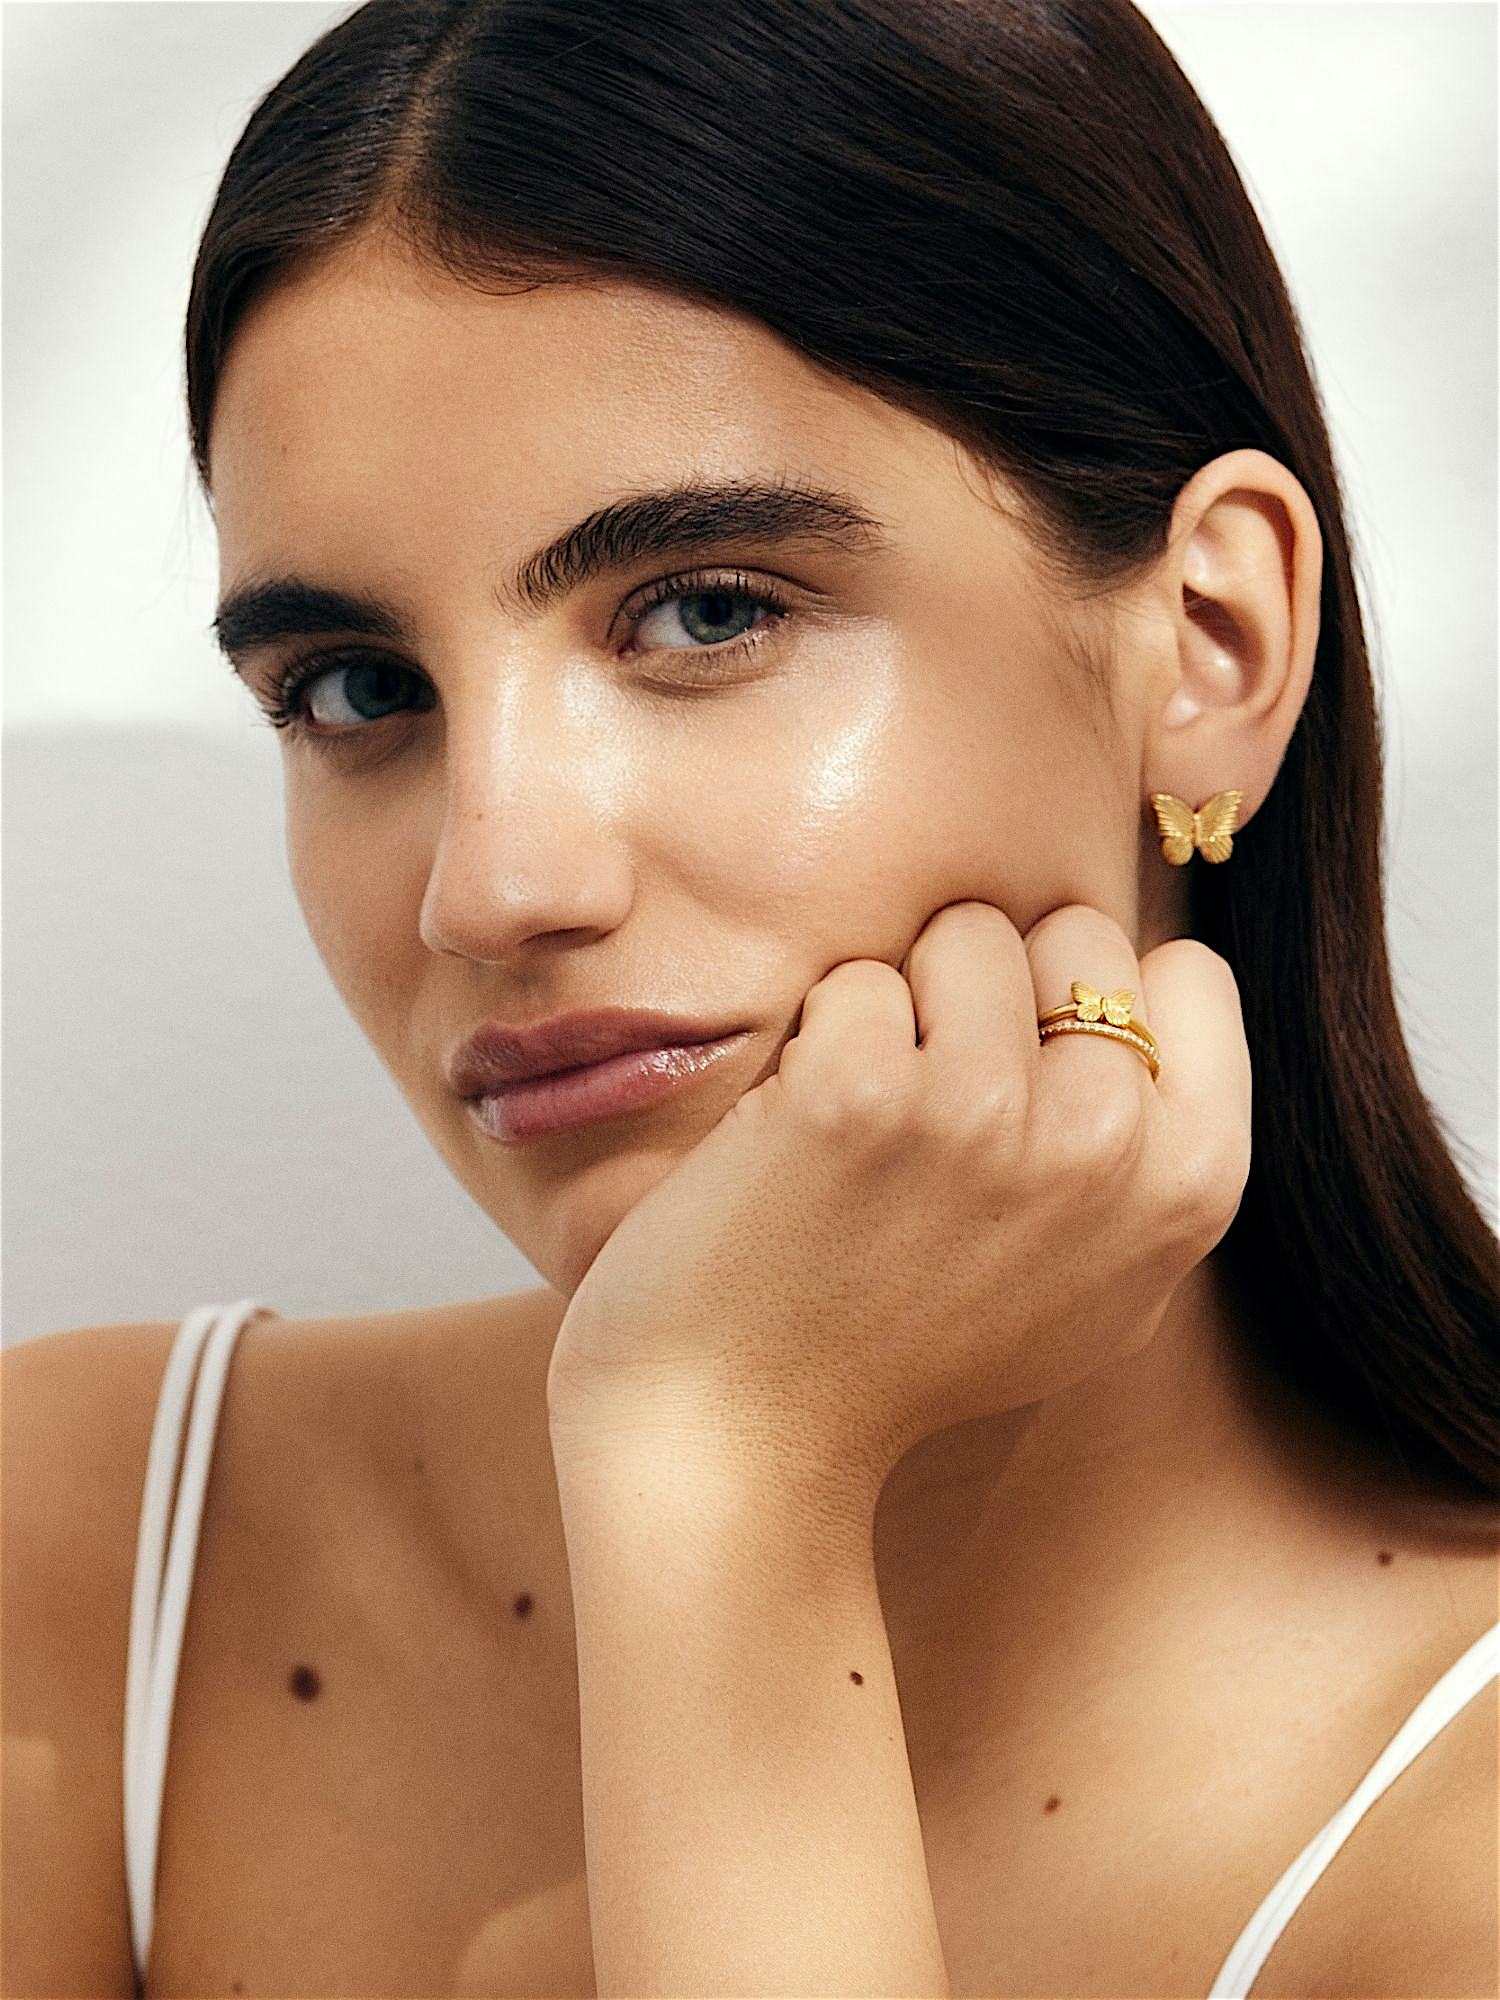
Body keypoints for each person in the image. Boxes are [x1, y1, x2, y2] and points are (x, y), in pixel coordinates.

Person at [6, 1, 1497, 1995]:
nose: (492, 883)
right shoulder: (86, 1560)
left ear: (1213, 644)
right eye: (357, 689)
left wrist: (718, 1480)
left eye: (707, 610)